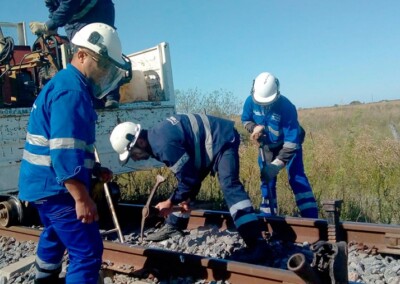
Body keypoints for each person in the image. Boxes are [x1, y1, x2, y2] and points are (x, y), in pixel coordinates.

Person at [18, 23, 130, 283]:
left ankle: (44, 279)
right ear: (81, 55)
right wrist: (81, 198)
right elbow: (64, 152)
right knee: (88, 253)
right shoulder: (72, 91)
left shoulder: (64, 84)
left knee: (54, 235)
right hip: (57, 189)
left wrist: (92, 170)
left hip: (42, 186)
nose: (103, 73)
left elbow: (67, 146)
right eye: (101, 64)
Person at [109, 114, 269, 262]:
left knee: (229, 185)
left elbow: (189, 179)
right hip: (205, 146)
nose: (135, 159)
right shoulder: (156, 138)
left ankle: (256, 243)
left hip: (223, 139)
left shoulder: (163, 145)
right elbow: (186, 175)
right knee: (185, 184)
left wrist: (170, 202)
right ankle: (174, 225)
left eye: (133, 154)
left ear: (140, 142)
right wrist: (181, 198)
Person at [241, 72, 318, 218]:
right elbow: (245, 120)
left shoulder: (287, 107)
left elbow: (291, 142)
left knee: (297, 177)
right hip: (267, 146)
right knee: (266, 180)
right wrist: (254, 128)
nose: (264, 105)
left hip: (289, 145)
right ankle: (268, 217)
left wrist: (277, 165)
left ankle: (311, 217)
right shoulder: (250, 101)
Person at [29, 0, 121, 108]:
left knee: (101, 49)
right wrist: (53, 26)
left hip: (97, 8)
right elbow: (52, 5)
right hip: (73, 18)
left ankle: (111, 96)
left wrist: (48, 25)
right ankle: (91, 97)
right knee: (80, 56)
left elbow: (70, 3)